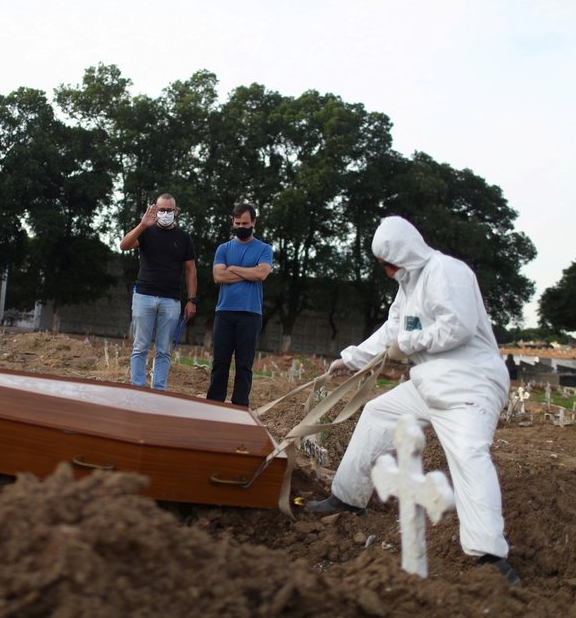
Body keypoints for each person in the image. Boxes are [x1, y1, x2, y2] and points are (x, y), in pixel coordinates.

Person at [307, 216, 520, 586]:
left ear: (404, 253)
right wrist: (351, 359)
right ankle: (347, 497)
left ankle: (490, 558)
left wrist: (408, 345)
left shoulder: (447, 271)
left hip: (470, 383)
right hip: (428, 383)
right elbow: (391, 332)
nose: (386, 271)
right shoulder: (407, 287)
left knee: (469, 454)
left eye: (388, 263)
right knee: (376, 413)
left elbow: (458, 326)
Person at [119, 193, 197, 390]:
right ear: (155, 210)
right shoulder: (146, 232)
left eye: (169, 210)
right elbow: (124, 245)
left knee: (164, 350)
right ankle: (137, 388)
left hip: (171, 300)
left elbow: (191, 270)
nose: (165, 213)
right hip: (144, 296)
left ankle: (158, 390)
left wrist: (192, 299)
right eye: (161, 209)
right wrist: (142, 225)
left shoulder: (183, 238)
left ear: (176, 212)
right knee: (140, 346)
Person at [205, 203, 272, 407]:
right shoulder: (223, 248)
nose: (241, 226)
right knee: (220, 363)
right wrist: (248, 272)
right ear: (232, 222)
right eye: (237, 223)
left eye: (245, 223)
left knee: (244, 365)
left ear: (253, 223)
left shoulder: (264, 248)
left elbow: (262, 274)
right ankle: (214, 405)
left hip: (250, 314)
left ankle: (239, 407)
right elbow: (218, 276)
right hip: (224, 313)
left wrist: (233, 269)